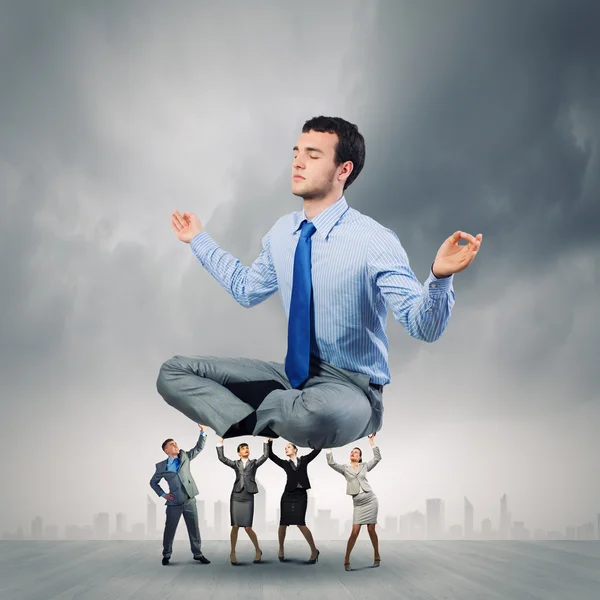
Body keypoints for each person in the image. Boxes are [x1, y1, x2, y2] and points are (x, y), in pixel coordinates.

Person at [157, 116, 483, 449]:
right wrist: (198, 239)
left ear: (343, 170)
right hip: (292, 378)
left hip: (351, 389)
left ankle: (255, 410)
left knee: (313, 416)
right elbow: (246, 289)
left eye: (313, 156)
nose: (297, 162)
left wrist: (440, 277)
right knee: (172, 373)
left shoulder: (373, 241)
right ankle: (259, 416)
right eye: (297, 152)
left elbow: (423, 327)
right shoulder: (282, 233)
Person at [149, 423, 211, 565]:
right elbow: (153, 482)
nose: (176, 445)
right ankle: (166, 554)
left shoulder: (185, 457)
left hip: (189, 500)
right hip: (174, 503)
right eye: (172, 444)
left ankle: (198, 554)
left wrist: (203, 432)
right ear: (166, 450)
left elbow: (199, 448)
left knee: (194, 528)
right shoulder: (161, 466)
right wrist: (163, 495)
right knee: (169, 530)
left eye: (176, 443)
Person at [327, 433, 381, 571]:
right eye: (352, 452)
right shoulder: (345, 468)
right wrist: (329, 448)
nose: (353, 453)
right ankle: (346, 559)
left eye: (356, 452)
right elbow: (331, 463)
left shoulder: (364, 466)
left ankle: (376, 556)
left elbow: (377, 458)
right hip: (358, 503)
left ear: (360, 457)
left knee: (371, 529)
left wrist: (372, 442)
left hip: (370, 499)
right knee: (355, 532)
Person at [216, 437, 269, 565]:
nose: (246, 450)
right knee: (235, 526)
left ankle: (258, 550)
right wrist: (220, 442)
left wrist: (266, 441)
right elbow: (222, 458)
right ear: (239, 453)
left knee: (248, 527)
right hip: (236, 496)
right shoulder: (235, 464)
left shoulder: (254, 463)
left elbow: (266, 455)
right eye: (243, 448)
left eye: (247, 448)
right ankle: (232, 552)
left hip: (248, 496)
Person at [267, 438, 320, 563]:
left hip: (301, 495)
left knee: (300, 523)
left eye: (288, 447)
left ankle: (314, 550)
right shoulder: (285, 463)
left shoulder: (304, 460)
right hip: (288, 495)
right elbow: (271, 455)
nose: (286, 449)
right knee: (283, 523)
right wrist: (269, 442)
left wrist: (322, 438)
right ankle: (281, 548)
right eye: (285, 448)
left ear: (295, 450)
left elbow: (316, 451)